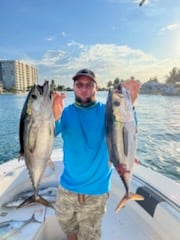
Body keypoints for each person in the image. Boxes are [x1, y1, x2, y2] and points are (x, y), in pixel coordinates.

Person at [52, 69, 140, 240]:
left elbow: (127, 128)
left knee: (89, 237)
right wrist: (52, 117)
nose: (84, 89)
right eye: (79, 84)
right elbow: (47, 135)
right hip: (66, 189)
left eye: (89, 85)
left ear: (96, 88)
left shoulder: (106, 111)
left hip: (95, 193)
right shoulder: (65, 112)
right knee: (69, 230)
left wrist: (131, 103)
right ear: (74, 87)